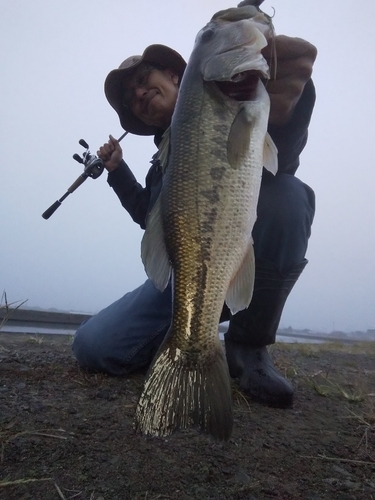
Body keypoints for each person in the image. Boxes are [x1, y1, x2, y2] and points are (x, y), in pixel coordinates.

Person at [72, 31, 317, 409]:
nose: (138, 95)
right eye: (130, 100)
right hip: (181, 280)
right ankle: (180, 344)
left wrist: (287, 92)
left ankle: (247, 348)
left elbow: (282, 149)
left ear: (174, 76)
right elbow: (148, 218)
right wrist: (118, 171)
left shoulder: (234, 101)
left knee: (289, 196)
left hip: (237, 263)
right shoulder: (161, 166)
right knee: (91, 345)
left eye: (142, 80)